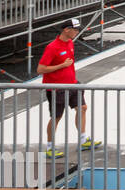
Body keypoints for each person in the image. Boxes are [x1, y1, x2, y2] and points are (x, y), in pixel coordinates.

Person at [36, 18, 99, 157]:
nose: (77, 32)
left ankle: (83, 140)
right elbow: (40, 69)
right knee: (57, 117)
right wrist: (61, 66)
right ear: (66, 30)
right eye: (75, 29)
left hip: (72, 84)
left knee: (82, 108)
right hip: (56, 88)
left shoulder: (70, 43)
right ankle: (50, 148)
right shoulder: (52, 47)